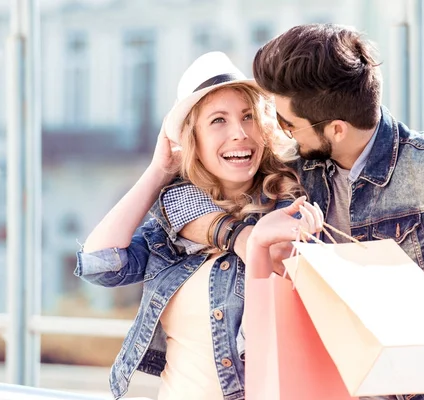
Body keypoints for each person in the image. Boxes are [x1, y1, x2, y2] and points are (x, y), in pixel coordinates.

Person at [154, 24, 424, 400]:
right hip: (312, 386)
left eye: (288, 123)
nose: (280, 133)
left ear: (336, 129)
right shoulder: (291, 168)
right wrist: (238, 236)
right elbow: (180, 199)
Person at [74, 51, 323, 400]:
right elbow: (100, 265)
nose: (239, 133)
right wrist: (157, 172)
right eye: (218, 121)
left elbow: (282, 295)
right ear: (194, 139)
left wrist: (255, 240)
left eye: (248, 116)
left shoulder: (288, 207)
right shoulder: (172, 229)